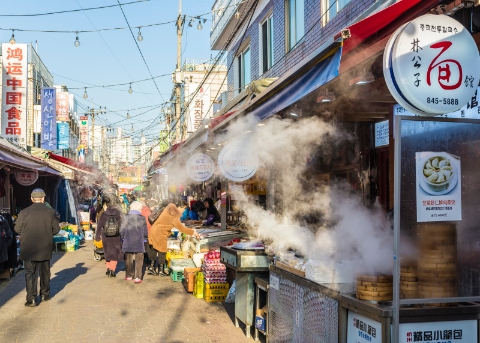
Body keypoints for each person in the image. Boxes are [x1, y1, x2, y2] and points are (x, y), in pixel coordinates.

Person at [15, 189, 60, 307]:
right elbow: (56, 229)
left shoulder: (24, 212)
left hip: (28, 248)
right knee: (45, 271)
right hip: (45, 247)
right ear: (43, 199)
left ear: (31, 199)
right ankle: (45, 295)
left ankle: (32, 299)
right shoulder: (50, 212)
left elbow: (16, 229)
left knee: (30, 273)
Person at [149, 201, 201, 276]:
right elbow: (182, 229)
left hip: (154, 229)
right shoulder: (174, 215)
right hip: (160, 233)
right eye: (183, 209)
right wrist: (193, 232)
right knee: (162, 250)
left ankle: (151, 267)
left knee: (154, 248)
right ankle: (161, 271)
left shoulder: (168, 209)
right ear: (180, 207)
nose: (183, 211)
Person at [95, 194, 123, 277]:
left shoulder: (104, 214)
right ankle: (112, 269)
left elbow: (99, 226)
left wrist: (97, 237)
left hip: (105, 236)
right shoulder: (118, 213)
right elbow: (121, 225)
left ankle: (108, 268)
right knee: (114, 253)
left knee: (107, 252)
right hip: (116, 236)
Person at [120, 201, 148, 284]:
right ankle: (137, 277)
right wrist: (145, 239)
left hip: (128, 241)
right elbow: (145, 231)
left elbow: (122, 230)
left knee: (128, 259)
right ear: (139, 209)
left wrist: (122, 238)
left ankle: (129, 275)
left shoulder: (125, 217)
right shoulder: (142, 218)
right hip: (139, 241)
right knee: (139, 259)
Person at [141, 199, 160, 275]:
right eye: (154, 207)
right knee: (149, 248)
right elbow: (148, 225)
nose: (155, 208)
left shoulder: (144, 210)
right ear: (152, 206)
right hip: (148, 232)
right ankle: (150, 263)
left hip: (143, 232)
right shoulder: (148, 213)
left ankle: (148, 261)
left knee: (146, 247)